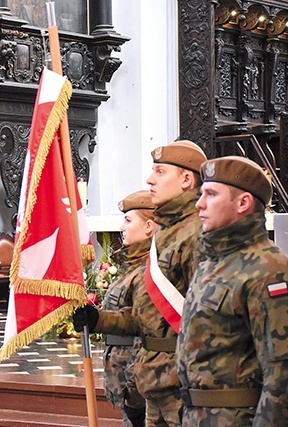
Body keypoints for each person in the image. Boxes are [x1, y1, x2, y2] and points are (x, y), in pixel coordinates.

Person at [176, 156, 288, 426]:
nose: (199, 203)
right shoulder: (214, 263)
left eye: (211, 194)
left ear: (243, 203)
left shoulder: (271, 272)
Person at [74, 140, 207, 426]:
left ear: (186, 179)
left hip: (183, 382)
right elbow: (148, 319)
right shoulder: (168, 235)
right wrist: (99, 320)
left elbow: (208, 318)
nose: (150, 179)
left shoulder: (196, 234)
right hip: (155, 379)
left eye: (160, 172)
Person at [102, 190, 155, 427]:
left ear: (149, 227)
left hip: (136, 384)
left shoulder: (149, 270)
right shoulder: (134, 266)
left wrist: (134, 389)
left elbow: (143, 330)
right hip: (125, 381)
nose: (122, 226)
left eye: (129, 220)